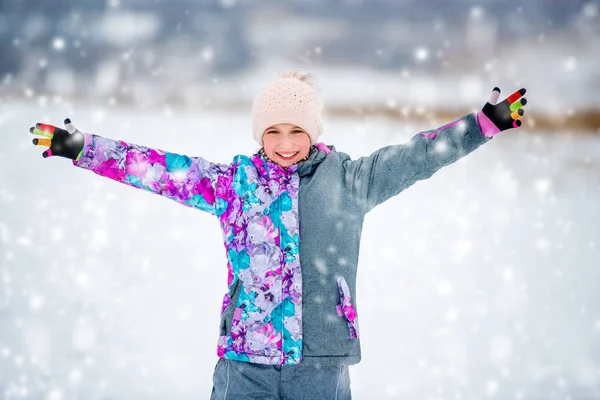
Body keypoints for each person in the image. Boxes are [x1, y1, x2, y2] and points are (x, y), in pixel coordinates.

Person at [29, 69, 527, 399]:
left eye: (296, 131)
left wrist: (483, 124)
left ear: (313, 131)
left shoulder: (350, 181)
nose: (285, 144)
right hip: (245, 363)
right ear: (258, 135)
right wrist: (84, 148)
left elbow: (419, 156)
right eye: (272, 132)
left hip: (320, 365)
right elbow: (157, 169)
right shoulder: (232, 186)